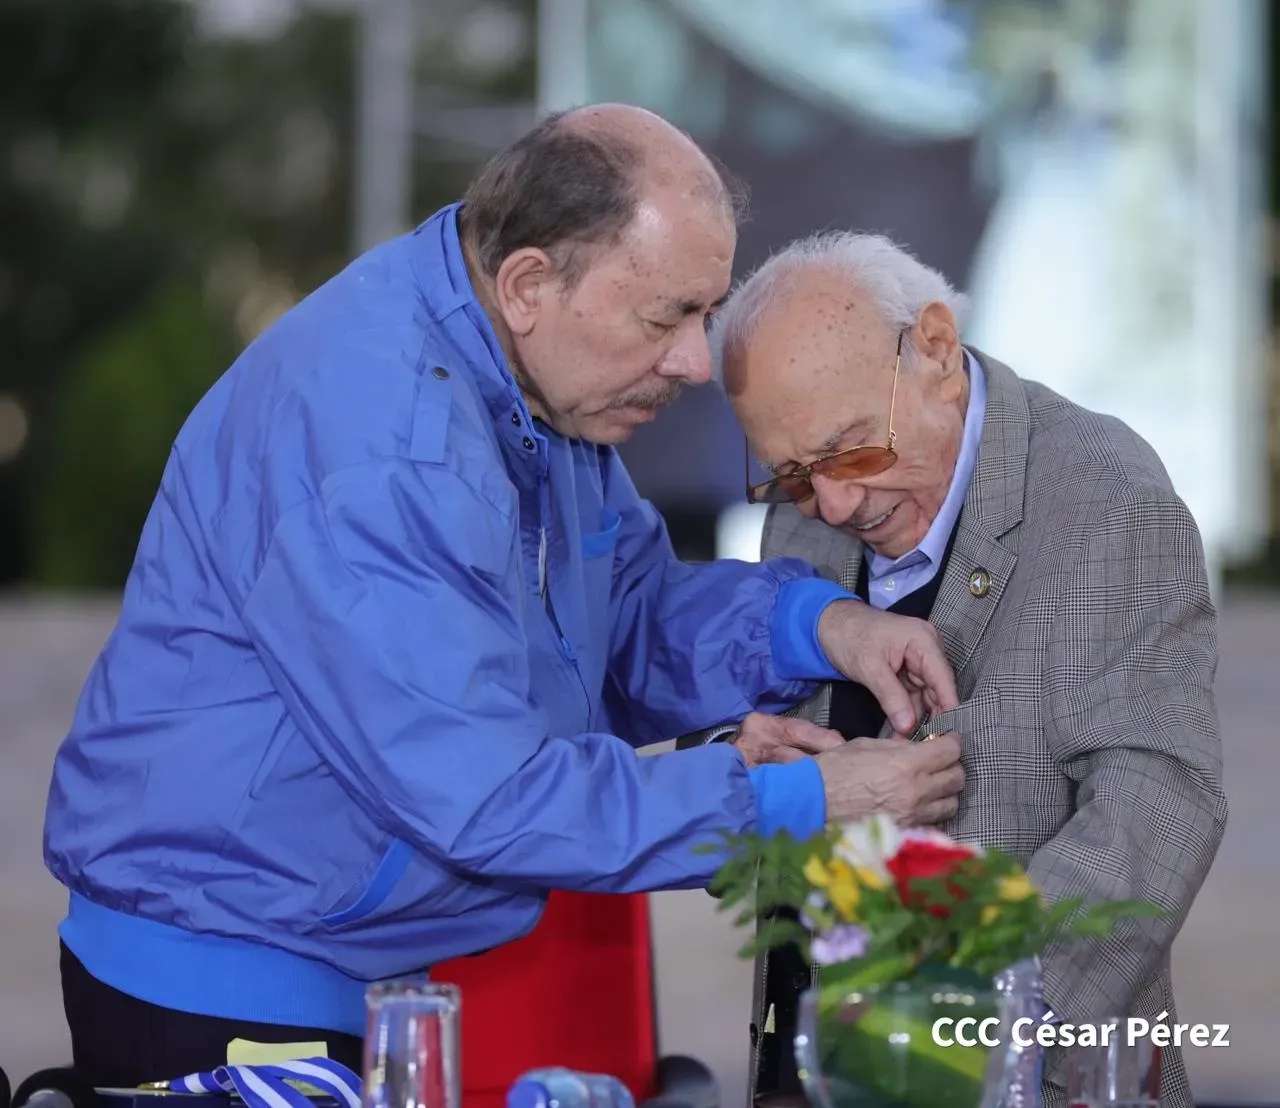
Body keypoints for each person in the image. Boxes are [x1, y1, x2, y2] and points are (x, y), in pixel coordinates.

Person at [41, 106, 967, 1086]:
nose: (697, 363)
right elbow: (487, 796)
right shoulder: (383, 449)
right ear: (528, 284)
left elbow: (626, 617)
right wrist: (796, 802)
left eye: (706, 312)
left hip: (338, 955)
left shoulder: (526, 375)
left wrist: (817, 626)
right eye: (666, 318)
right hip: (224, 980)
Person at [703, 230, 1227, 1107]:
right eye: (792, 475)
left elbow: (1159, 809)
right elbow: (753, 731)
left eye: (851, 450)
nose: (833, 502)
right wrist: (746, 761)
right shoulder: (805, 514)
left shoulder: (1109, 497)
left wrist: (953, 1025)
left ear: (937, 350)